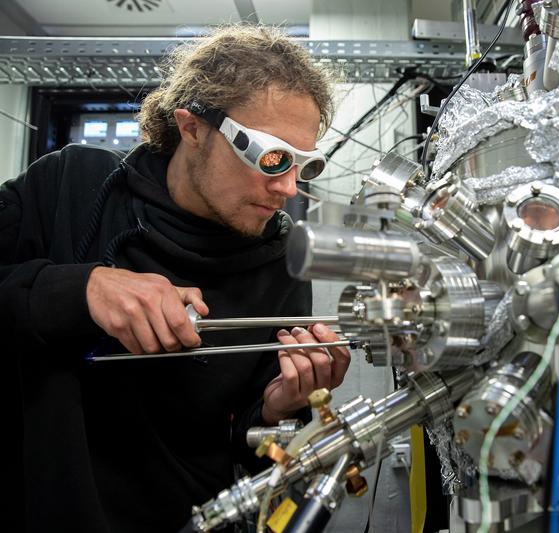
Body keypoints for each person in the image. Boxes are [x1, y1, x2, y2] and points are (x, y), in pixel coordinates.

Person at [0, 25, 350, 533]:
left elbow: (248, 444)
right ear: (193, 128)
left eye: (304, 165)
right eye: (272, 157)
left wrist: (277, 409)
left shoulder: (281, 262)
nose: (288, 188)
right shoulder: (70, 186)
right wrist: (81, 288)